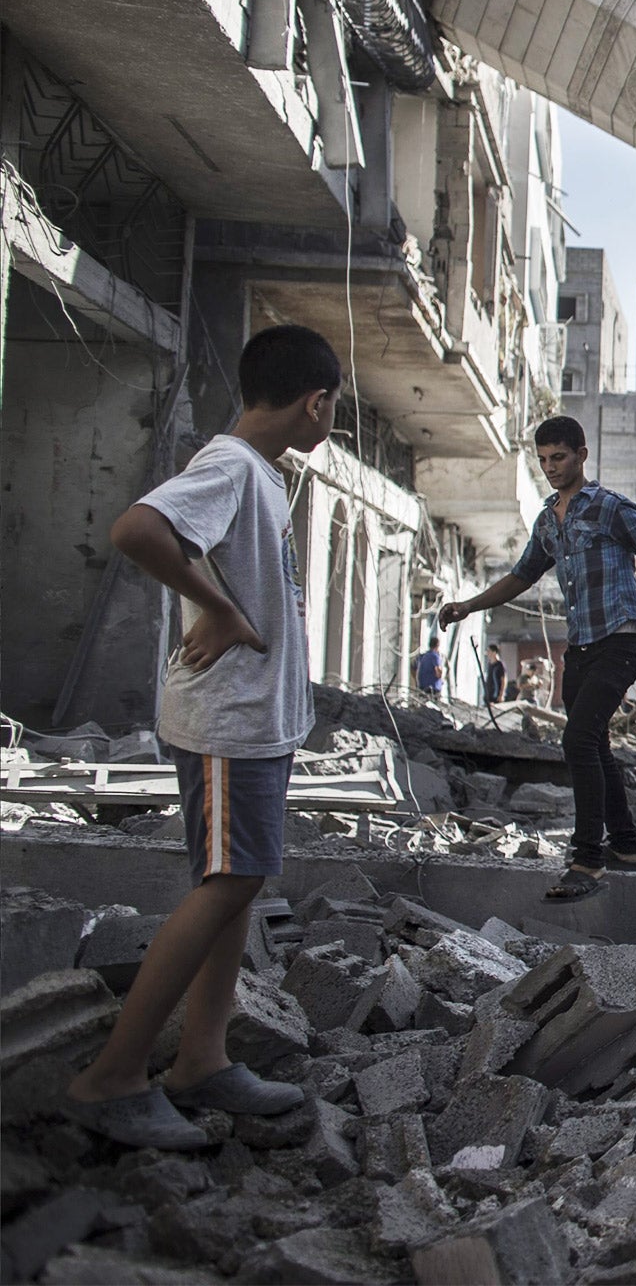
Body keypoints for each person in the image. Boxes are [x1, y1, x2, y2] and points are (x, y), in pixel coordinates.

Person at [65, 324, 338, 1149]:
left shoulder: (258, 473)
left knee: (241, 880)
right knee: (224, 882)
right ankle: (112, 1077)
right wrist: (219, 609)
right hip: (227, 722)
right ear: (314, 404)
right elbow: (137, 530)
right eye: (333, 408)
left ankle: (203, 1060)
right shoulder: (229, 468)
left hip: (255, 724)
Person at [439, 416, 636, 901]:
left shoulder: (611, 509)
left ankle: (587, 860)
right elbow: (520, 576)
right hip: (579, 649)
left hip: (620, 640)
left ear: (582, 455)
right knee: (594, 747)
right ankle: (626, 846)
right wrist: (469, 605)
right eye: (544, 460)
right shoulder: (547, 520)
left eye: (560, 457)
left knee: (576, 740)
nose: (552, 467)